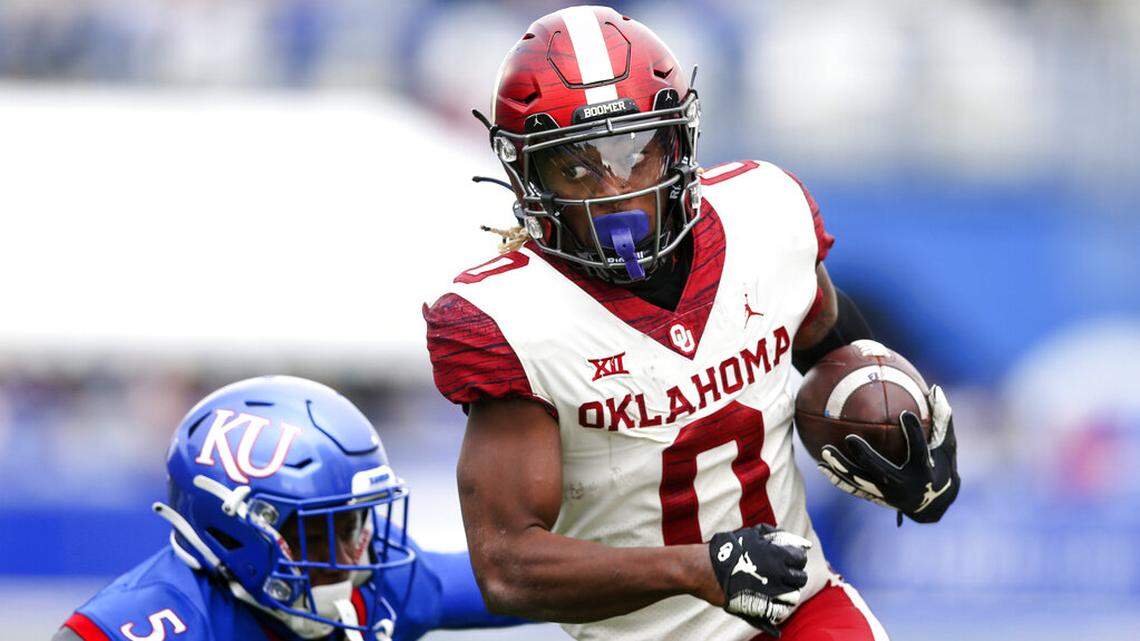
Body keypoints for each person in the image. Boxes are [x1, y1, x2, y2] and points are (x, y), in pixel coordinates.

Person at [423, 6, 960, 640]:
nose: (617, 192)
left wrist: (906, 446)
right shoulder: (510, 318)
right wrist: (700, 567)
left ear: (679, 143)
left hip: (802, 613)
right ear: (526, 176)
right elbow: (507, 567)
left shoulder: (766, 215)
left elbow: (834, 351)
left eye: (635, 153)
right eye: (575, 167)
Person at [54, 376, 525, 641]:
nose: (346, 557)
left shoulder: (374, 580)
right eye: (316, 533)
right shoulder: (150, 626)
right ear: (233, 532)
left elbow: (519, 584)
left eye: (351, 523)